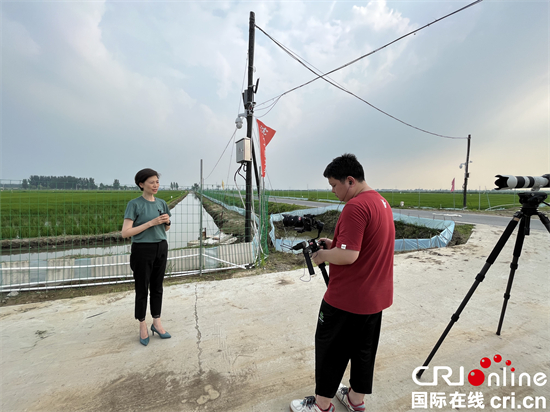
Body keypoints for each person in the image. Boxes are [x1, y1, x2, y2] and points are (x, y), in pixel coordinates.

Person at [290, 154, 395, 412]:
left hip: (347, 299)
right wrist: (333, 245)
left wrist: (323, 255)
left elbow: (349, 255)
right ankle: (356, 400)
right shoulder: (381, 202)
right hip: (375, 298)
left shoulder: (355, 207)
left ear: (350, 180)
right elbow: (361, 247)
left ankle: (322, 405)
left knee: (330, 349)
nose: (334, 191)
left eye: (334, 185)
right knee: (363, 351)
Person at [122, 168, 172, 346]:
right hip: (142, 249)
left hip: (161, 247)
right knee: (142, 288)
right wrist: (151, 223)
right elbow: (125, 233)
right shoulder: (134, 204)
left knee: (157, 287)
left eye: (157, 181)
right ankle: (142, 324)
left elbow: (165, 229)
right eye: (152, 182)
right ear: (141, 184)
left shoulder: (162, 203)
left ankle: (157, 322)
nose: (155, 185)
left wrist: (166, 222)